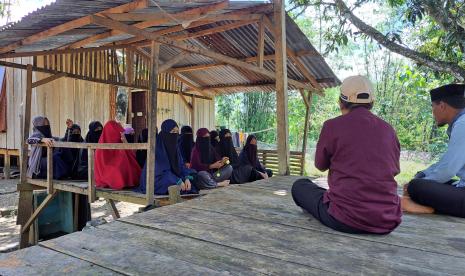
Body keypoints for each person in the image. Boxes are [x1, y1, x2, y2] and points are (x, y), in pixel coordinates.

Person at [292, 75, 401, 234]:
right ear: (372, 102)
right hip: (387, 219)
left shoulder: (332, 126)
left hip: (345, 218)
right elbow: (394, 170)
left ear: (341, 102)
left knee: (300, 185)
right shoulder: (389, 130)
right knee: (326, 194)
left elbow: (320, 165)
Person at [402, 84, 465, 218]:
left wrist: (419, 182)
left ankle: (424, 206)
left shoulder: (462, 124)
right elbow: (447, 161)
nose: (432, 112)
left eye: (432, 107)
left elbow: (448, 170)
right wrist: (423, 174)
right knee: (422, 181)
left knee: (416, 187)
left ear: (442, 105)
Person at [135, 120, 198, 195]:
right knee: (170, 182)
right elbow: (162, 172)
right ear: (165, 132)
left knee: (194, 176)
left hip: (173, 177)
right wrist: (178, 181)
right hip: (155, 180)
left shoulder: (175, 148)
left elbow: (181, 166)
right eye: (173, 131)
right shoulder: (158, 148)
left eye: (177, 132)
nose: (175, 135)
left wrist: (186, 178)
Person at [95, 120, 141, 190]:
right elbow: (102, 169)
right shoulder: (100, 148)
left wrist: (125, 142)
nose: (118, 135)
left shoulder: (120, 145)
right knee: (116, 171)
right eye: (116, 133)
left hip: (126, 181)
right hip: (106, 176)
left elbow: (132, 157)